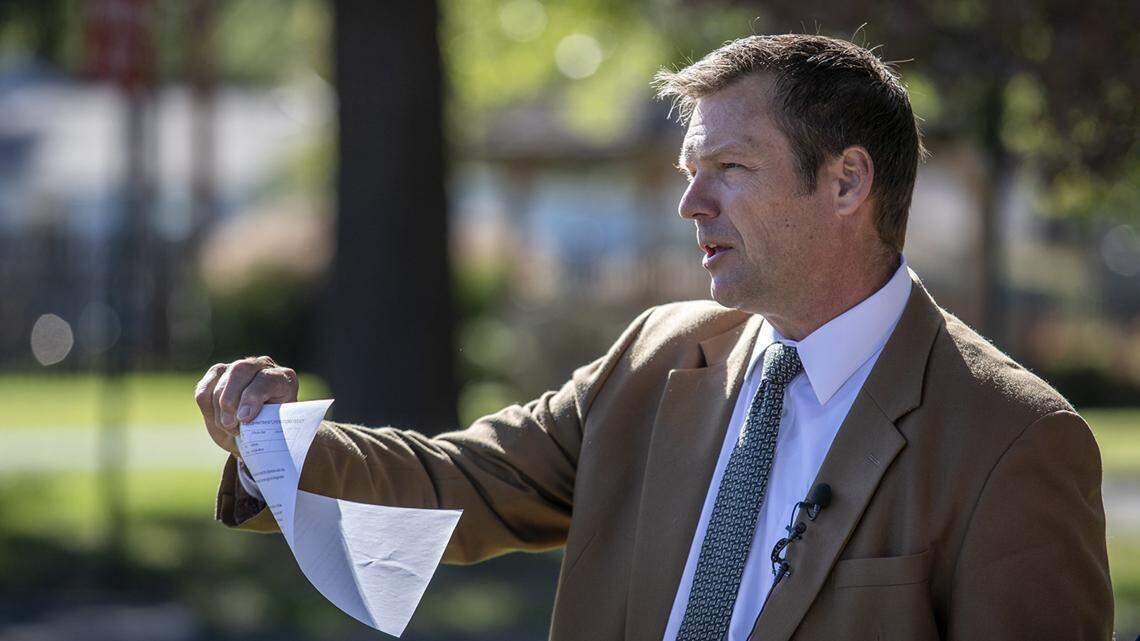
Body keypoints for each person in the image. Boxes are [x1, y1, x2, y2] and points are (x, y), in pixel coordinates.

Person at [195, 34, 1113, 640]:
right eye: (689, 170)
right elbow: (458, 482)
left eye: (729, 169)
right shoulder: (656, 358)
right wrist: (272, 442)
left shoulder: (1015, 441)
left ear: (846, 183)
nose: (690, 203)